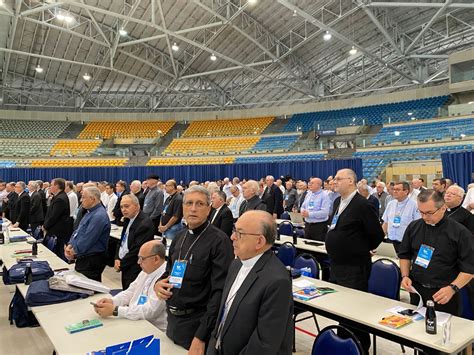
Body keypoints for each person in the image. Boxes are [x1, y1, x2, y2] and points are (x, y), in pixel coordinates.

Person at [154, 186, 233, 352]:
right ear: (182, 207)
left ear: (208, 208)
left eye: (199, 204)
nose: (193, 208)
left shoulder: (219, 241)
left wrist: (201, 336)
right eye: (189, 203)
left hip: (197, 324)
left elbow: (219, 293)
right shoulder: (179, 237)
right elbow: (169, 272)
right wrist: (158, 284)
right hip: (173, 320)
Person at [207, 210, 293, 354]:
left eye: (239, 233)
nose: (232, 237)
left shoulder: (277, 281)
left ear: (259, 241)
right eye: (234, 230)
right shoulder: (236, 264)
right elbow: (223, 315)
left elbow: (264, 344)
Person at [326, 168, 384, 353]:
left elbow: (376, 233)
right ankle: (344, 341)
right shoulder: (338, 201)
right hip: (337, 264)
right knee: (342, 307)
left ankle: (358, 347)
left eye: (338, 179)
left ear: (350, 181)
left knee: (353, 310)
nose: (334, 182)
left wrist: (361, 248)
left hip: (354, 266)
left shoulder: (362, 204)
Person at [399, 189, 474, 316]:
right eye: (421, 212)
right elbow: (404, 254)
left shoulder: (460, 232)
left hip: (445, 293)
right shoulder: (414, 227)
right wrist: (405, 276)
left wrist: (453, 288)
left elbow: (469, 268)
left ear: (443, 208)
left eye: (429, 213)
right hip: (417, 290)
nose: (424, 217)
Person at [94, 240, 167, 331]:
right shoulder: (146, 271)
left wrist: (116, 310)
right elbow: (130, 291)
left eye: (142, 258)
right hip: (135, 319)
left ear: (156, 259)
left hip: (153, 328)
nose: (138, 262)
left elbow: (150, 312)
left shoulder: (165, 278)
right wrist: (112, 301)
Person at [65, 187, 111, 282]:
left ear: (93, 199)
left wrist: (73, 251)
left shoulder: (99, 216)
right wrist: (70, 245)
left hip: (92, 259)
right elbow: (78, 231)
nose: (81, 200)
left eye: (83, 197)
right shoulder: (90, 212)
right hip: (85, 256)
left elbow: (88, 239)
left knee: (88, 288)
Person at [115, 194, 155, 290]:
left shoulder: (144, 223)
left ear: (137, 206)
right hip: (125, 264)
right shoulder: (128, 219)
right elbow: (122, 241)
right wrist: (117, 257)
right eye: (121, 207)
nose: (123, 209)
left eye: (127, 206)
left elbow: (137, 250)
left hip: (135, 266)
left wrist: (121, 263)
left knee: (132, 294)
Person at [382, 181, 421, 254]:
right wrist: (379, 239)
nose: (395, 191)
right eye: (394, 189)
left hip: (406, 243)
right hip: (390, 242)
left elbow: (418, 226)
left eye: (398, 190)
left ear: (406, 191)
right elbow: (386, 223)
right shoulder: (391, 204)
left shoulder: (414, 205)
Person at [43, 178, 71, 258]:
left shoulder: (60, 198)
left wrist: (45, 226)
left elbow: (53, 216)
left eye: (51, 185)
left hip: (57, 231)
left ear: (57, 186)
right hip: (56, 230)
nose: (49, 187)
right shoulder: (58, 196)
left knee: (57, 253)